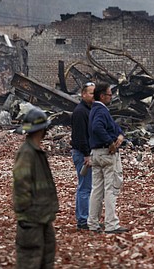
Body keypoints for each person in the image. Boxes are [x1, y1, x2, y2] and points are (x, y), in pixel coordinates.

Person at [12, 107, 59, 269]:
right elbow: (21, 185)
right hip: (32, 220)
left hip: (43, 217)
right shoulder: (27, 153)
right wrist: (26, 215)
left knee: (47, 256)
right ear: (42, 130)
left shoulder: (36, 152)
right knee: (30, 260)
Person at [87, 82, 129, 234]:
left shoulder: (95, 110)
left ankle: (92, 222)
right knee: (111, 189)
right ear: (102, 96)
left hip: (96, 153)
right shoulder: (101, 111)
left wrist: (119, 135)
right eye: (110, 95)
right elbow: (98, 127)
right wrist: (110, 142)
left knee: (97, 189)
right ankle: (111, 224)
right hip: (107, 154)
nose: (112, 97)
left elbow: (114, 127)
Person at [70, 81, 95, 230]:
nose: (94, 96)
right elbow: (80, 137)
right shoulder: (80, 112)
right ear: (83, 94)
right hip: (82, 154)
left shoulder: (89, 110)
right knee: (85, 187)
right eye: (91, 93)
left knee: (86, 186)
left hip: (85, 153)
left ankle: (85, 218)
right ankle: (83, 220)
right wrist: (87, 154)